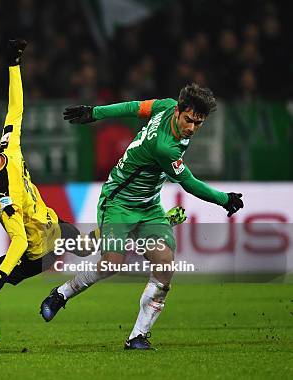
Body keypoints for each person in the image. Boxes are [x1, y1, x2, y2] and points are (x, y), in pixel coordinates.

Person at [40, 84, 244, 350]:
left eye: (199, 123)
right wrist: (224, 199)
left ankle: (137, 336)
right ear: (179, 111)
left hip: (148, 207)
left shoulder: (165, 106)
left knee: (164, 265)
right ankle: (61, 294)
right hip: (118, 202)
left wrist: (96, 112)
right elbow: (189, 183)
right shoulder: (165, 147)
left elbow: (133, 107)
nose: (192, 128)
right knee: (112, 263)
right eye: (188, 120)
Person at [0, 39, 83, 350]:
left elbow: (20, 242)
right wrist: (14, 66)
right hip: (56, 227)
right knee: (99, 245)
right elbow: (16, 108)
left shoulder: (3, 192)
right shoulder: (8, 146)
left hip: (36, 255)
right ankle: (153, 226)